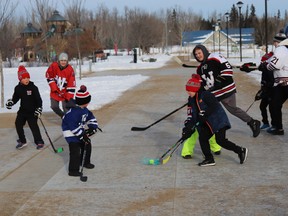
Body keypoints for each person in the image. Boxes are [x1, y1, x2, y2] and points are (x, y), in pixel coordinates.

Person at [192, 45, 260, 138]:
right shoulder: (199, 69)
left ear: (204, 51)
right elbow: (204, 84)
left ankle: (253, 122)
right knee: (208, 110)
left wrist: (220, 80)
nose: (198, 55)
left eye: (199, 53)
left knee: (232, 109)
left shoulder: (215, 56)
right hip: (214, 93)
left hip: (225, 89)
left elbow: (228, 69)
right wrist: (197, 88)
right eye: (196, 54)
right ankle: (212, 131)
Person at [182, 76, 248, 166]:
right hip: (207, 122)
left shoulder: (206, 95)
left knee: (220, 141)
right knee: (203, 138)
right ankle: (209, 159)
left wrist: (204, 113)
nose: (188, 92)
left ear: (196, 89)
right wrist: (188, 127)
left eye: (190, 90)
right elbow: (193, 114)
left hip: (218, 120)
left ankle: (240, 150)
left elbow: (215, 106)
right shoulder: (192, 99)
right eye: (187, 90)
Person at [62, 85, 100, 177]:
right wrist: (83, 135)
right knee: (75, 150)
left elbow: (91, 118)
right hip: (70, 133)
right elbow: (73, 127)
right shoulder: (73, 113)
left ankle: (85, 162)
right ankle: (73, 170)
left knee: (87, 144)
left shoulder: (84, 109)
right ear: (83, 102)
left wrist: (93, 127)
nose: (88, 103)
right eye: (87, 101)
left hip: (79, 131)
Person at [6, 66, 45, 150]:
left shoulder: (33, 88)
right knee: (18, 124)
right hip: (22, 111)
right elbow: (15, 98)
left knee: (33, 127)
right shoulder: (18, 88)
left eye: (28, 77)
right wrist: (11, 103)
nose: (26, 79)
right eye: (24, 78)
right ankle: (22, 141)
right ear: (20, 79)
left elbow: (39, 100)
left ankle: (39, 141)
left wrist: (39, 109)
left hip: (32, 112)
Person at [256, 32, 287, 130]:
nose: (274, 44)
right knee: (274, 105)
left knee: (274, 105)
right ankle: (276, 126)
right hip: (280, 83)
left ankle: (277, 127)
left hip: (282, 83)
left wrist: (265, 66)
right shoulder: (284, 50)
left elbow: (273, 65)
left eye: (275, 42)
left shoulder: (281, 49)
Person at [46, 52, 76, 118]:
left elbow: (71, 84)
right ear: (59, 61)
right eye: (61, 60)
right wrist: (53, 86)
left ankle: (70, 122)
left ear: (67, 61)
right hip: (55, 91)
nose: (63, 62)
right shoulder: (54, 66)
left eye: (65, 60)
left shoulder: (70, 70)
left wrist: (69, 97)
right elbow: (49, 76)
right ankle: (63, 117)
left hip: (65, 92)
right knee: (54, 106)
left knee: (66, 108)